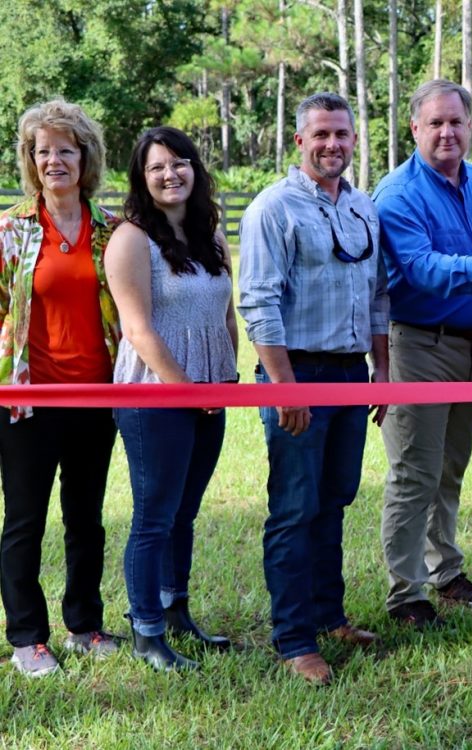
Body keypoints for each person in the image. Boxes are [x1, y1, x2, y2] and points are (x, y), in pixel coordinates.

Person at [238, 93, 387, 684]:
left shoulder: (362, 207)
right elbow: (257, 302)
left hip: (353, 375)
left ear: (354, 141)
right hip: (297, 373)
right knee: (295, 508)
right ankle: (294, 639)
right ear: (299, 141)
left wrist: (384, 370)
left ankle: (330, 617)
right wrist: (285, 387)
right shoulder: (273, 208)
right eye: (321, 134)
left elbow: (378, 293)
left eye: (343, 134)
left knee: (335, 500)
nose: (333, 145)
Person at [373, 79, 472, 628]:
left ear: (469, 124)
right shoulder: (399, 194)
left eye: (455, 121)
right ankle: (406, 592)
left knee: (449, 469)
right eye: (434, 122)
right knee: (414, 472)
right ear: (414, 128)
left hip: (471, 349)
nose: (446, 132)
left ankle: (445, 570)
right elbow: (420, 267)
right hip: (417, 346)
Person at [107, 126, 238, 671]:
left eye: (180, 162)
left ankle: (178, 612)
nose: (171, 173)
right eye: (158, 166)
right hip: (152, 394)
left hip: (211, 392)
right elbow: (138, 330)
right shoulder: (131, 239)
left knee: (184, 513)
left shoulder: (209, 230)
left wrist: (224, 381)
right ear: (142, 176)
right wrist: (187, 392)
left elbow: (225, 315)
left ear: (195, 169)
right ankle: (146, 631)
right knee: (154, 516)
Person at [0, 100, 121, 677]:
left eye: (65, 150)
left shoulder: (113, 232)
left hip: (98, 398)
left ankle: (84, 626)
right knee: (24, 519)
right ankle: (26, 637)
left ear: (85, 157)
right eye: (42, 151)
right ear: (31, 160)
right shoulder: (11, 231)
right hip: (28, 402)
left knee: (86, 518)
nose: (54, 160)